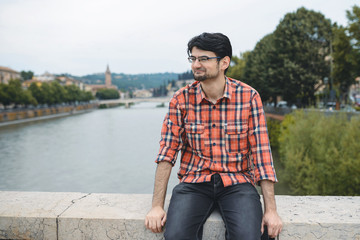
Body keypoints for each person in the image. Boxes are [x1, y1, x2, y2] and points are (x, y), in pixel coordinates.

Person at [145, 32, 283, 240]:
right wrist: (156, 206)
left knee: (250, 236)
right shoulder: (180, 99)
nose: (196, 65)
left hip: (237, 182)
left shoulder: (249, 97)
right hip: (194, 182)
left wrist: (271, 210)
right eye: (193, 59)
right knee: (176, 236)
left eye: (204, 59)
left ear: (224, 62)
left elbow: (262, 156)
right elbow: (167, 153)